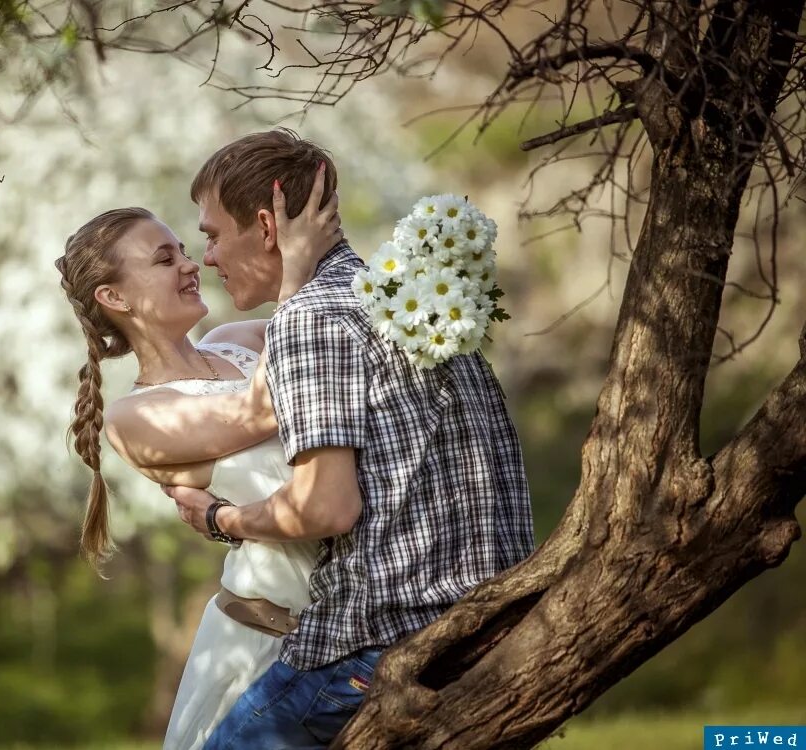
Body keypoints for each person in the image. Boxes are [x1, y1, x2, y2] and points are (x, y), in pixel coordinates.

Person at [163, 128, 535, 749]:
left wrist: (221, 518)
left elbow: (325, 507)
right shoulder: (404, 301)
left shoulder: (312, 320)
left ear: (265, 224)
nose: (206, 258)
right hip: (485, 624)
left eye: (211, 234)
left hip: (379, 647)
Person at [54, 166, 342, 750]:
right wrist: (295, 270)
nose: (192, 265)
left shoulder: (240, 342)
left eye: (185, 250)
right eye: (164, 260)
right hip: (261, 649)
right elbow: (267, 409)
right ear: (114, 297)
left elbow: (334, 333)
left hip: (350, 637)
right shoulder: (136, 418)